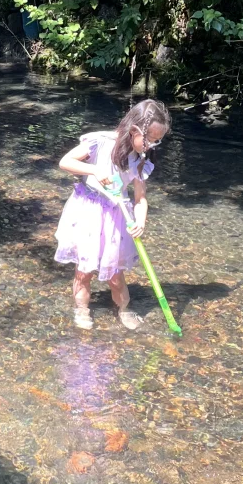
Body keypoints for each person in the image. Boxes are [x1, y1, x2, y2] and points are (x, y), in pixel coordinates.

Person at [54, 99, 171, 331]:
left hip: (117, 216)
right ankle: (82, 308)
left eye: (158, 141)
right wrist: (94, 169)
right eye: (150, 140)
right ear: (134, 130)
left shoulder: (140, 160)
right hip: (88, 211)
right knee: (84, 269)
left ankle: (124, 309)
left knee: (115, 274)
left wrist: (140, 221)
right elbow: (64, 162)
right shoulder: (101, 143)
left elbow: (140, 199)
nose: (152, 146)